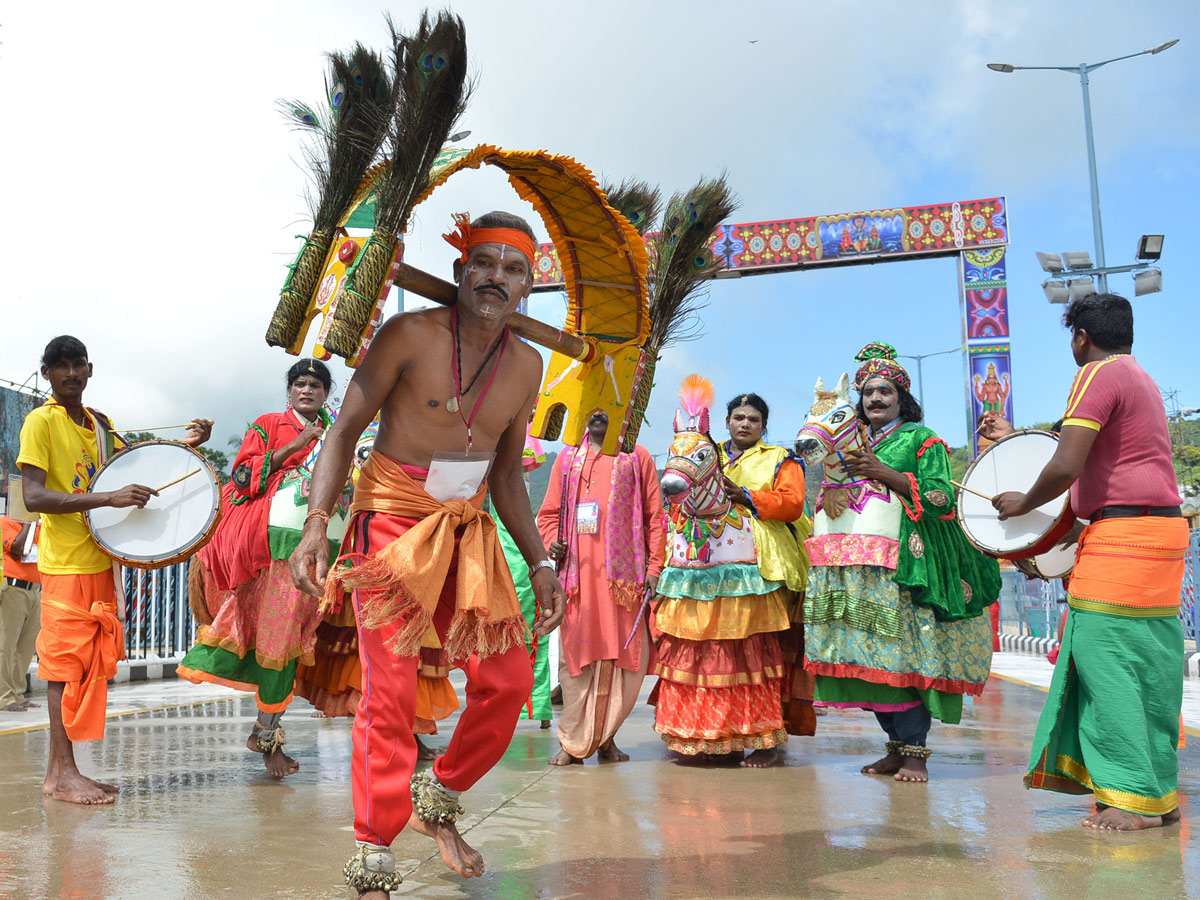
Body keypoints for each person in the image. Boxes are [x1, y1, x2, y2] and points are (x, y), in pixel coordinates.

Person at [289, 210, 566, 897]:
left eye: (514, 268)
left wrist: (541, 563)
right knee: (392, 691)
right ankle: (371, 850)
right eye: (486, 262)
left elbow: (506, 474)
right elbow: (344, 429)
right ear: (460, 270)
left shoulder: (529, 364)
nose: (497, 277)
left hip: (469, 527)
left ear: (528, 287)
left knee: (507, 680)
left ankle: (435, 797)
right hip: (393, 521)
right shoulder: (408, 335)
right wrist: (319, 522)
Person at [987, 293, 1187, 831]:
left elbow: (1066, 463)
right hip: (1159, 532)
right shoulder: (1135, 376)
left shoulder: (1097, 374)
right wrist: (1016, 442)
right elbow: (1091, 452)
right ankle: (1153, 792)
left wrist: (1022, 503)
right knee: (1148, 663)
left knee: (1107, 663)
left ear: (1081, 337)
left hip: (1123, 536)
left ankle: (1130, 797)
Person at [18, 335, 212, 804]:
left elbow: (142, 465)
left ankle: (64, 772)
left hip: (100, 562)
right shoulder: (40, 421)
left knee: (88, 666)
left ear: (90, 369)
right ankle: (60, 774)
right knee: (63, 668)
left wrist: (188, 446)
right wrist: (108, 498)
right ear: (46, 374)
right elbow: (33, 496)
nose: (70, 373)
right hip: (65, 564)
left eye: (77, 364)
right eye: (59, 366)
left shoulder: (100, 426)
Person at [803, 341, 999, 783]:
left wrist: (885, 473)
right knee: (869, 662)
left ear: (901, 399)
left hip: (903, 567)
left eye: (884, 392)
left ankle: (916, 753)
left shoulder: (921, 439)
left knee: (903, 658)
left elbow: (940, 495)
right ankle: (894, 749)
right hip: (853, 568)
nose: (874, 399)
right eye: (868, 392)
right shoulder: (849, 441)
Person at [178, 358, 349, 777]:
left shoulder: (341, 431)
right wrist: (295, 446)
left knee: (301, 638)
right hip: (274, 542)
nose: (307, 391)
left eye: (315, 385)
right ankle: (267, 735)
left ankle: (267, 730)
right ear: (289, 391)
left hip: (331, 542)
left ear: (327, 394)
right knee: (282, 636)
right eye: (299, 384)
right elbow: (240, 476)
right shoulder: (268, 423)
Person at [537, 409, 665, 766]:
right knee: (575, 663)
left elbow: (656, 518)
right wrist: (552, 543)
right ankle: (575, 742)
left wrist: (654, 568)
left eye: (607, 408)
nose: (598, 415)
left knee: (622, 662)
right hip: (577, 584)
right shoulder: (566, 458)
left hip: (624, 583)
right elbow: (548, 515)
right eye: (591, 408)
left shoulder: (635, 456)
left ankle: (605, 738)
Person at [720, 393, 817, 745]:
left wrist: (747, 497)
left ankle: (767, 732)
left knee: (766, 651)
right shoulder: (707, 454)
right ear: (727, 421)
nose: (745, 424)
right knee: (719, 653)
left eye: (754, 419)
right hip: (711, 567)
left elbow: (792, 504)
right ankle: (718, 731)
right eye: (738, 417)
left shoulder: (780, 458)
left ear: (763, 426)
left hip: (767, 563)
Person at [1, 514, 41, 711]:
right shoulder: (6, 522)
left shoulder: (42, 527)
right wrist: (28, 522)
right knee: (5, 646)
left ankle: (17, 693)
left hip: (35, 591)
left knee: (25, 648)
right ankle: (4, 697)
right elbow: (17, 547)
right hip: (13, 589)